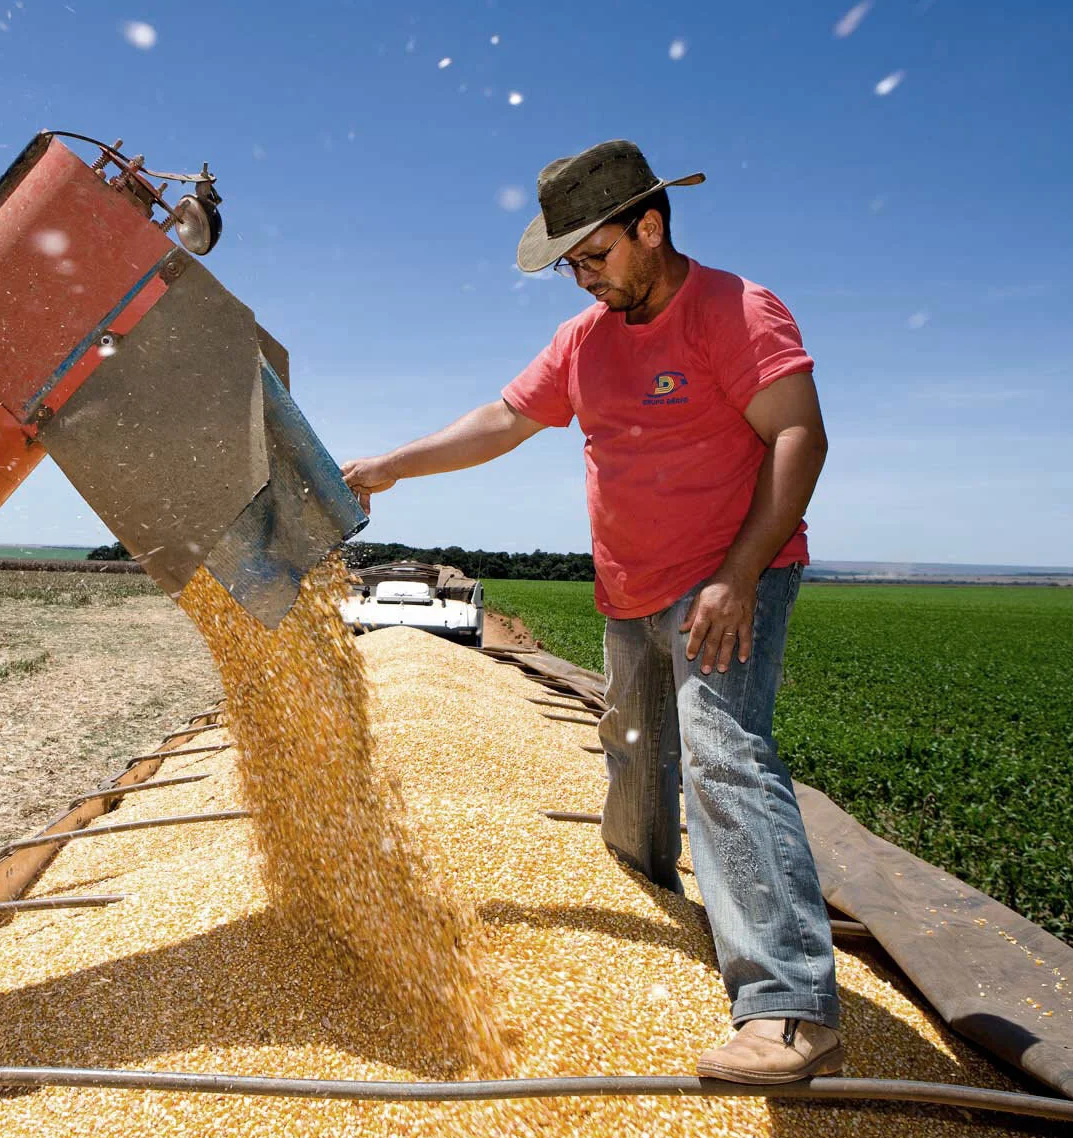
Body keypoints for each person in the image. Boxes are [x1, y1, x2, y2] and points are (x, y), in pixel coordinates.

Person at [340, 139, 841, 1084]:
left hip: (726, 581)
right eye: (569, 265)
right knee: (632, 755)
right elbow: (503, 420)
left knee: (725, 756)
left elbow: (798, 436)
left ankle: (789, 1009)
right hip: (629, 590)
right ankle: (657, 909)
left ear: (650, 227)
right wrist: (391, 465)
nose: (582, 280)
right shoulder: (586, 340)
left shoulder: (735, 310)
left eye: (594, 256)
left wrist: (738, 574)